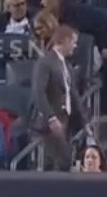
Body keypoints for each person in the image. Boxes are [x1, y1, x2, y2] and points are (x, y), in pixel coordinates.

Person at [30, 24, 85, 172]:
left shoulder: (65, 64)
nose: (75, 46)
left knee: (63, 163)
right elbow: (38, 92)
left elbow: (73, 94)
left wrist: (84, 122)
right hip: (50, 124)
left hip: (65, 120)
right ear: (64, 40)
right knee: (59, 161)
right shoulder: (45, 62)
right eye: (73, 42)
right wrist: (51, 118)